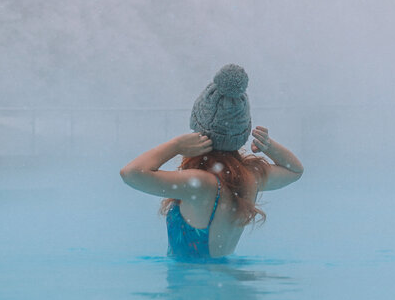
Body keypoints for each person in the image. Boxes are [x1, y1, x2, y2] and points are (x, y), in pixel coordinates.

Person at [120, 64, 303, 261]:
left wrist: (175, 145)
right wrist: (268, 145)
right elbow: (294, 171)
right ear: (241, 133)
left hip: (194, 287)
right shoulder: (251, 177)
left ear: (198, 132)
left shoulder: (200, 184)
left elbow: (131, 173)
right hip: (232, 283)